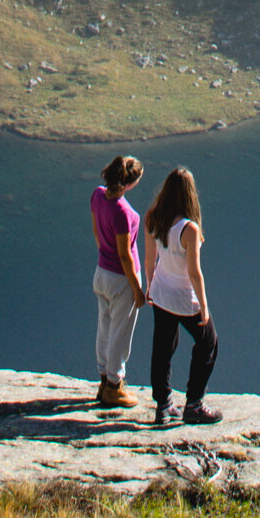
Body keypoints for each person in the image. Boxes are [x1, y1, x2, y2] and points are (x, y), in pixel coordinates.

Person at [144, 165, 220, 426]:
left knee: (163, 348)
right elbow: (194, 273)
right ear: (190, 194)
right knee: (209, 343)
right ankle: (194, 404)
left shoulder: (153, 218)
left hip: (161, 294)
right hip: (184, 299)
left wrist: (150, 288)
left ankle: (163, 406)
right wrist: (204, 307)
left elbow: (149, 260)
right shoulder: (189, 229)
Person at [89, 153, 147, 408]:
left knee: (104, 327)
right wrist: (137, 289)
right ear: (129, 183)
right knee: (120, 334)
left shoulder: (98, 195)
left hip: (101, 272)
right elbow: (125, 255)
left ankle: (103, 379)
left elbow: (96, 233)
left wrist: (105, 256)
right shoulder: (123, 211)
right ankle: (114, 386)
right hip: (121, 279)